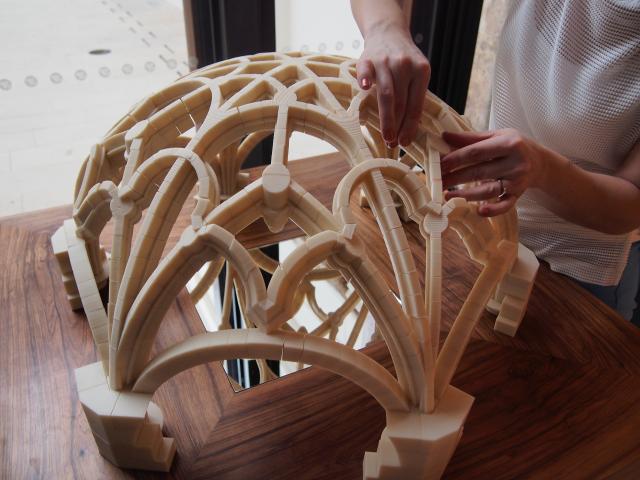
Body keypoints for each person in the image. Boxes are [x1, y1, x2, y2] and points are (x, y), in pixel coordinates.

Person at [350, 0, 640, 323]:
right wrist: (384, 28)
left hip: (582, 268)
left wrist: (541, 169)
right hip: (485, 226)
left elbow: (632, 202)